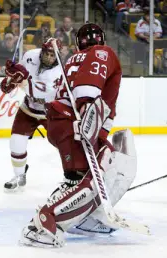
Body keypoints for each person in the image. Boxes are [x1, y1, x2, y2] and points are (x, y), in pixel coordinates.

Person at [19, 23, 137, 247]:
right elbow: (87, 88)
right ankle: (45, 223)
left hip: (62, 121)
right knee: (97, 175)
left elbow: (96, 100)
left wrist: (98, 132)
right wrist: (87, 116)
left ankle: (85, 218)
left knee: (77, 178)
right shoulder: (102, 52)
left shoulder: (73, 60)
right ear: (101, 40)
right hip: (75, 121)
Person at [0, 38, 62, 191]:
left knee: (64, 146)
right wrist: (12, 77)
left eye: (53, 55)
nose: (49, 57)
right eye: (47, 53)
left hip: (50, 112)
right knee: (16, 141)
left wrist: (23, 81)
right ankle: (19, 174)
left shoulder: (59, 72)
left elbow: (41, 94)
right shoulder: (30, 55)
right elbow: (19, 73)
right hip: (28, 109)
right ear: (42, 50)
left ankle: (74, 178)